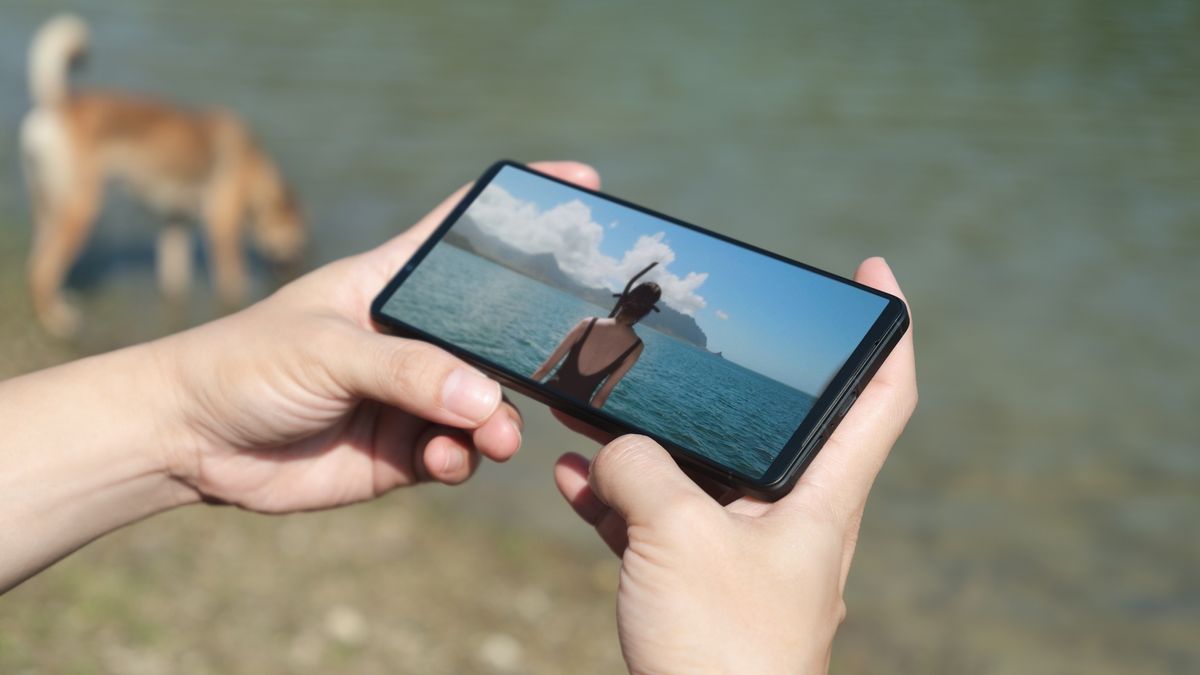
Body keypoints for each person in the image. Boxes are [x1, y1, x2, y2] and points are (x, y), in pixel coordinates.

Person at [0, 161, 916, 673]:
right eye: (640, 310)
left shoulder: (596, 322)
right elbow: (591, 395)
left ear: (624, 308)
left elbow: (560, 376)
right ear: (640, 315)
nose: (633, 320)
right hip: (597, 437)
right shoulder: (618, 335)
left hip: (578, 411)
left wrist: (182, 430)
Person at [532, 280, 660, 408]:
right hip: (575, 413)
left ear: (624, 299)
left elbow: (545, 369)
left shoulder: (588, 323)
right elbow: (600, 398)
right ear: (646, 311)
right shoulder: (636, 347)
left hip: (546, 396)